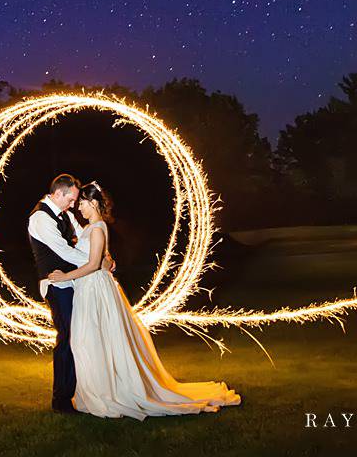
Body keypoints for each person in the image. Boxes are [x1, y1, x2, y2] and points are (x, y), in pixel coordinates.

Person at [47, 180, 242, 420]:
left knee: (93, 338)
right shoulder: (90, 227)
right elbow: (103, 260)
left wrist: (66, 275)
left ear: (95, 203)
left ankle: (108, 392)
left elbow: (94, 264)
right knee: (87, 340)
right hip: (88, 289)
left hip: (95, 289)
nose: (79, 208)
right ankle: (95, 389)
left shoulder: (98, 228)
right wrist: (106, 261)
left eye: (84, 203)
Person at [26, 173, 114, 413]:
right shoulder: (41, 219)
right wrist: (96, 262)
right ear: (58, 193)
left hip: (74, 283)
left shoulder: (63, 215)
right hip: (57, 285)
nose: (74, 204)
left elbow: (86, 235)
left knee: (78, 337)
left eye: (77, 201)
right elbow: (64, 251)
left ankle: (79, 392)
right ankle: (61, 399)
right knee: (67, 338)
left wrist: (102, 255)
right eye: (72, 199)